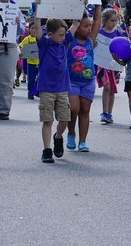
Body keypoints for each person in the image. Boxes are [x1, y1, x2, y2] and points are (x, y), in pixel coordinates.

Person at [33, 15, 80, 163]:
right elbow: (38, 28)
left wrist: (80, 6)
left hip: (62, 88)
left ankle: (58, 137)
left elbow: (75, 24)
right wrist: (38, 13)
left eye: (64, 34)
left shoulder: (64, 42)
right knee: (47, 120)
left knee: (65, 119)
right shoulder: (44, 43)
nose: (63, 36)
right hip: (47, 88)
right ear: (50, 34)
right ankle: (47, 150)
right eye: (60, 34)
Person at [66, 3, 102, 152]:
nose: (88, 29)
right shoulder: (69, 39)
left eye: (89, 26)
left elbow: (98, 21)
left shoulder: (90, 40)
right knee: (73, 109)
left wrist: (98, 5)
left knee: (85, 111)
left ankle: (82, 141)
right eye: (85, 26)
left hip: (87, 82)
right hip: (72, 81)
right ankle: (71, 133)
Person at [97, 8, 124, 124]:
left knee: (112, 89)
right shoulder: (100, 33)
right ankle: (105, 112)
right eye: (112, 21)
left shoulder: (117, 32)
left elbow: (123, 45)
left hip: (114, 64)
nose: (114, 23)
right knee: (106, 87)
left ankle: (110, 113)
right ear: (105, 20)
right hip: (103, 65)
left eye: (116, 21)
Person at [19, 21, 40, 100]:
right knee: (31, 79)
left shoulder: (40, 38)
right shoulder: (27, 39)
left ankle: (36, 91)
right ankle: (30, 92)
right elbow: (20, 46)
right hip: (31, 63)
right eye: (32, 28)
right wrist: (21, 52)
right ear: (29, 30)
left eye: (36, 28)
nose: (34, 30)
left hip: (40, 63)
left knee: (39, 79)